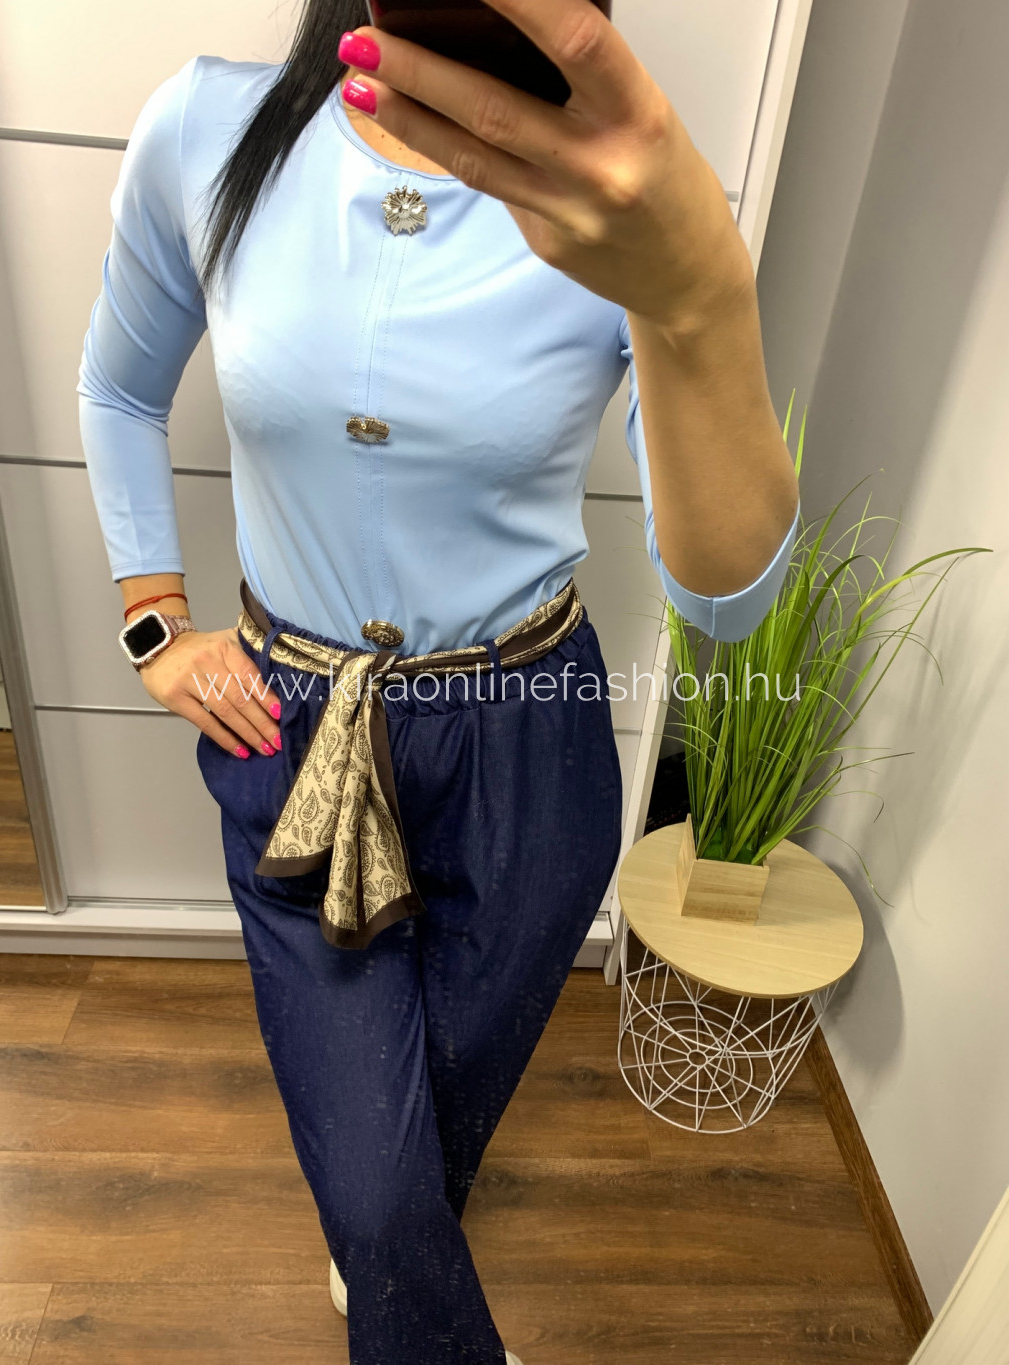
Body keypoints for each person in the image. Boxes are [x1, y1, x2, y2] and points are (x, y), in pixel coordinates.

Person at [77, 2, 801, 1361]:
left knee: (437, 1128)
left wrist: (699, 293)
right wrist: (155, 627)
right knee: (371, 1172)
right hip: (297, 738)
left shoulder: (627, 205)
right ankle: (396, 1265)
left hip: (531, 741)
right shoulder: (210, 130)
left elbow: (727, 597)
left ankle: (388, 1264)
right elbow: (119, 392)